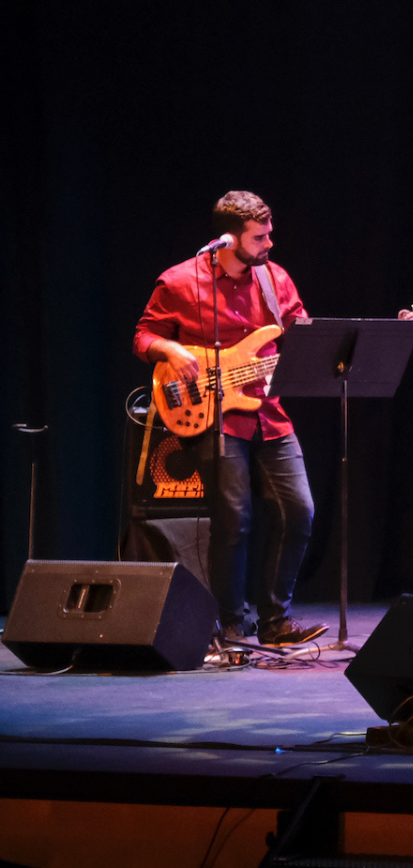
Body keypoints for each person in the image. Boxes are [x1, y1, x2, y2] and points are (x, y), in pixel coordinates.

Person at [135, 191, 325, 648]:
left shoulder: (275, 279)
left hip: (269, 412)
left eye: (269, 233)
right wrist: (172, 350)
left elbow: (301, 332)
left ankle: (276, 621)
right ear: (228, 239)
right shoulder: (182, 281)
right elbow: (144, 335)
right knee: (234, 519)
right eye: (260, 237)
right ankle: (230, 625)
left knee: (299, 510)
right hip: (212, 414)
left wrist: (330, 347)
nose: (269, 244)